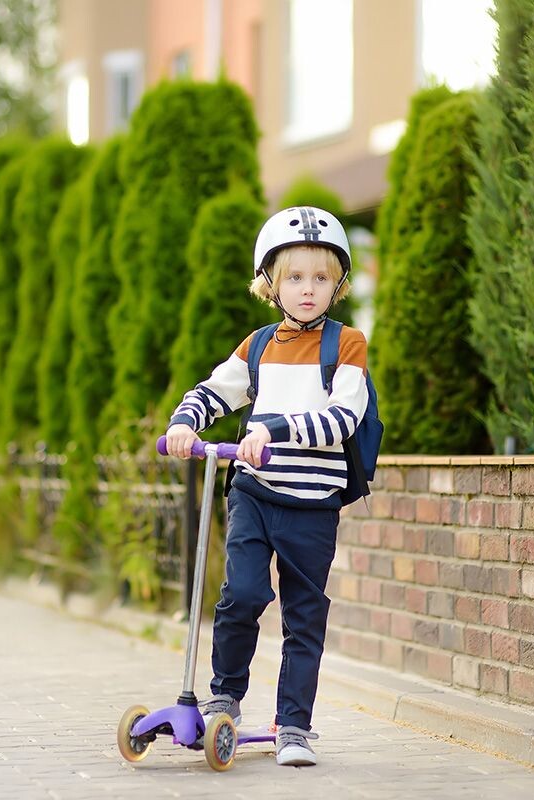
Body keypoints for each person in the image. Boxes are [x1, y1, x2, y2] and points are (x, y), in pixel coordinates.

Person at [164, 206, 370, 767]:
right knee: (243, 594)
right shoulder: (258, 345)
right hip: (254, 494)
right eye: (295, 277)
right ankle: (224, 695)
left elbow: (342, 418)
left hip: (313, 505)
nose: (308, 289)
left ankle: (294, 726)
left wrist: (273, 429)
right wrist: (185, 423)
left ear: (337, 285)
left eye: (321, 278)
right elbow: (215, 390)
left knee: (304, 615)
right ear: (271, 284)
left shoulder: (346, 345)